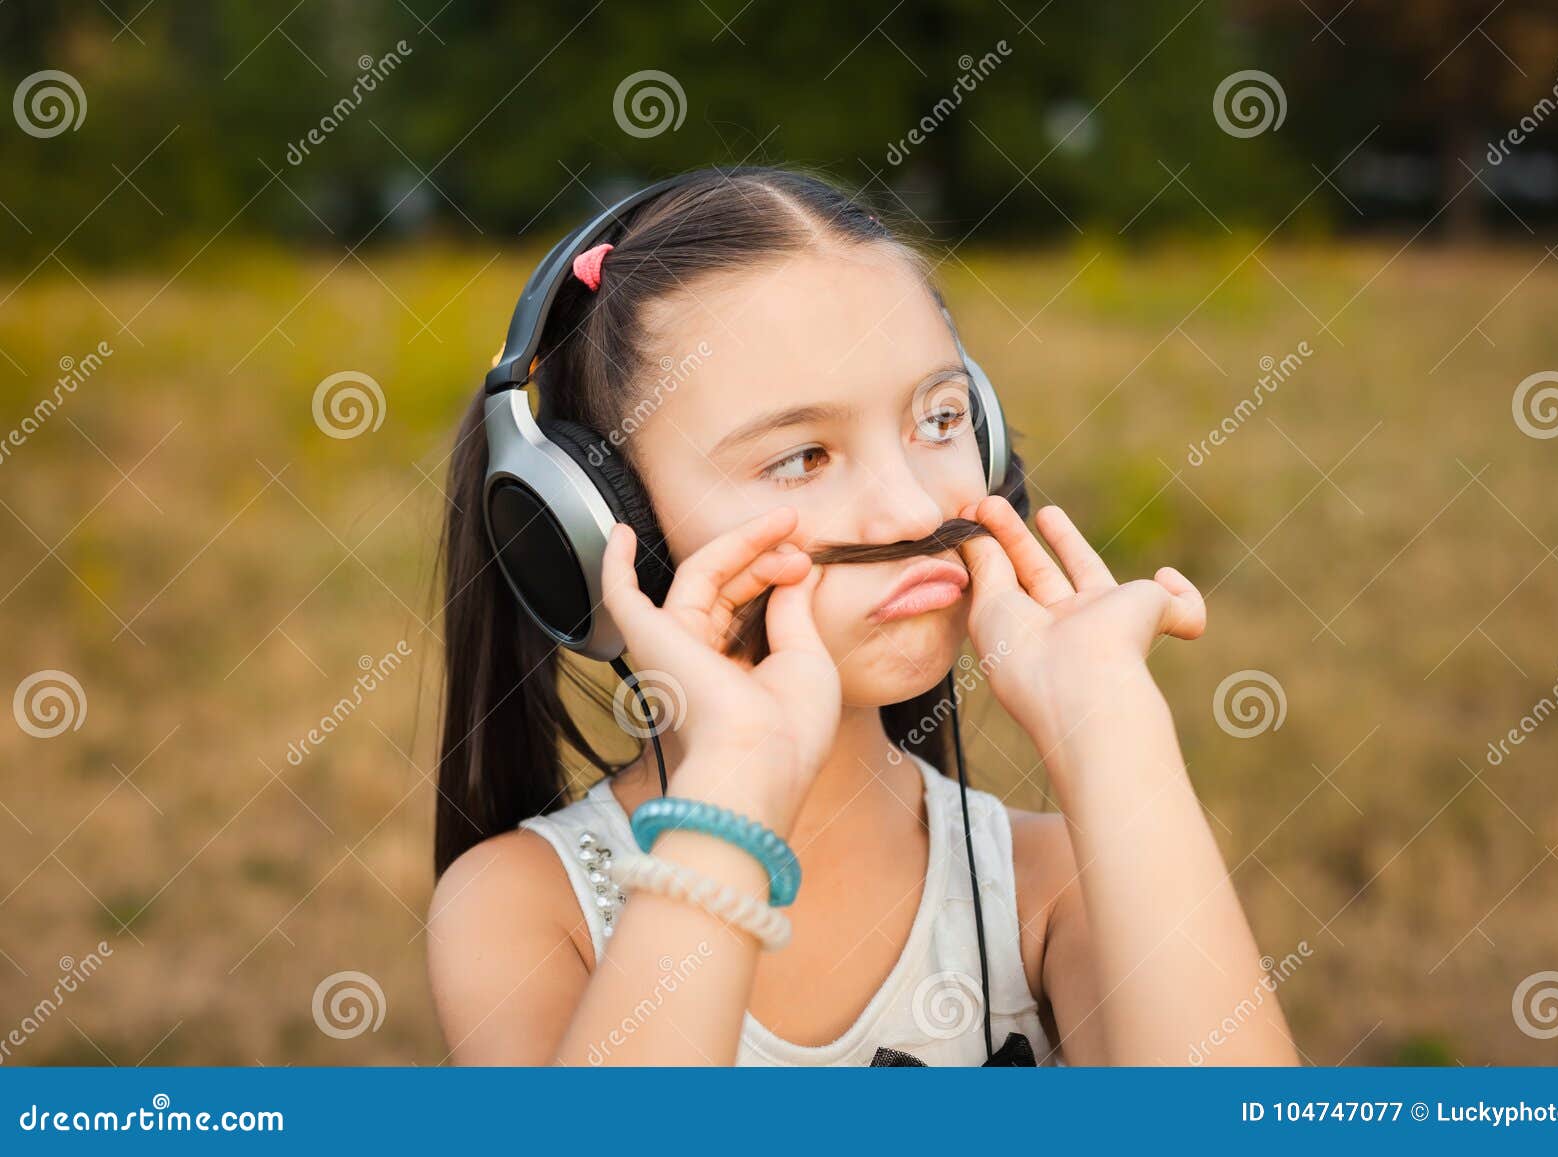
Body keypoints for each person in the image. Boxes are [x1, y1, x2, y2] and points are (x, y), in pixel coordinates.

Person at [426, 165, 1296, 1066]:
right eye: (802, 456)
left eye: (940, 416)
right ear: (596, 530)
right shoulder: (529, 908)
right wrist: (735, 783)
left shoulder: (1048, 889)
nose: (915, 510)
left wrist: (1111, 724)